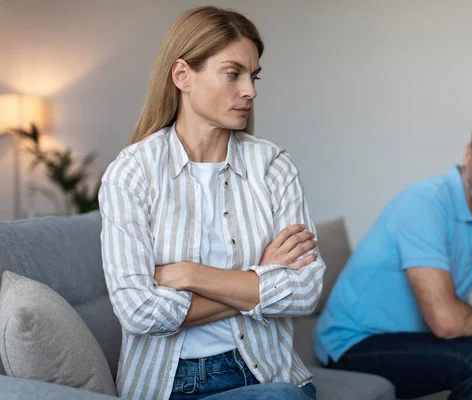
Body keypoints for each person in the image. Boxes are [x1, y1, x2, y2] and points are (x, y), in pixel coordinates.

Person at [99, 6, 324, 400]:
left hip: (268, 369)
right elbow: (137, 312)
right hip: (171, 385)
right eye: (233, 74)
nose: (250, 90)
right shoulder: (132, 172)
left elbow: (305, 290)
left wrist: (189, 273)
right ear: (183, 75)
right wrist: (261, 279)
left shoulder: (273, 165)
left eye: (253, 77)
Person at [315, 105, 472, 399]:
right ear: (468, 154)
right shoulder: (424, 203)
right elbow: (446, 321)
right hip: (356, 343)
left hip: (420, 335)